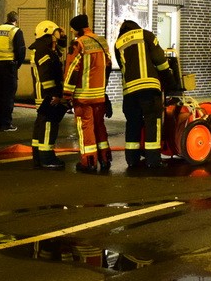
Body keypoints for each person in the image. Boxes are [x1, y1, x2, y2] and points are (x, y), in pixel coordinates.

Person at [114, 19, 175, 170]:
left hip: (129, 91)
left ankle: (132, 159)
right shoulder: (146, 35)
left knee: (133, 123)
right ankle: (153, 160)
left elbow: (123, 67)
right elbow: (160, 60)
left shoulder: (118, 43)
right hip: (149, 87)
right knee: (152, 122)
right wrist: (169, 80)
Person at [63, 14, 113, 173]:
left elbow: (72, 70)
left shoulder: (78, 44)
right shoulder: (102, 42)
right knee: (99, 126)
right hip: (99, 95)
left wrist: (66, 94)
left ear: (77, 29)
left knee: (86, 129)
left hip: (83, 96)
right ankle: (105, 158)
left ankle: (88, 162)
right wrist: (103, 88)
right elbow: (108, 66)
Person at [29, 20, 67, 170]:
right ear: (49, 33)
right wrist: (53, 95)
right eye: (56, 31)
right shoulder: (43, 51)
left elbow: (60, 52)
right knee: (48, 124)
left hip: (44, 93)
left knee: (41, 123)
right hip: (47, 94)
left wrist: (62, 38)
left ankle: (38, 156)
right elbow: (46, 74)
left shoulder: (43, 48)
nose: (58, 34)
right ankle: (46, 157)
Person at [0, 11, 25, 131]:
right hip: (9, 66)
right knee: (8, 96)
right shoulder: (16, 31)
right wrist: (17, 65)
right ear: (16, 20)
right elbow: (21, 50)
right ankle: (6, 124)